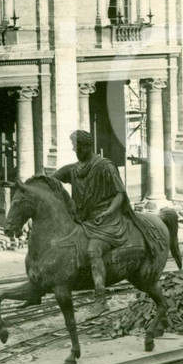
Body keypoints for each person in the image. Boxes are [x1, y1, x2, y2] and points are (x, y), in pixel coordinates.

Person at [54, 130, 159, 317]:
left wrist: (108, 212)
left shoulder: (105, 166)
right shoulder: (74, 169)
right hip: (84, 220)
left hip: (108, 220)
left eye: (76, 147)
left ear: (86, 147)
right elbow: (51, 180)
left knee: (93, 251)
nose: (73, 150)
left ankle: (101, 300)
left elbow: (120, 194)